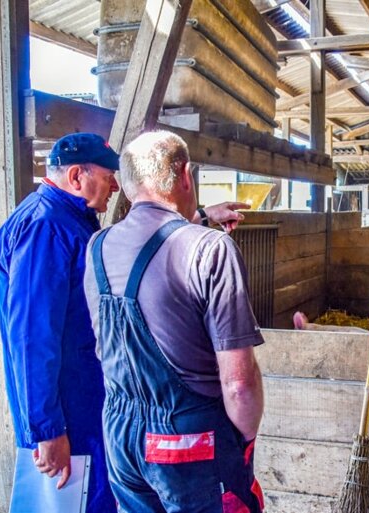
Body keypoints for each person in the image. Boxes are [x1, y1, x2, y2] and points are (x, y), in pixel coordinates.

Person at [0, 132, 249, 512]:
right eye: (108, 175)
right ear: (77, 176)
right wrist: (47, 431)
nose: (116, 185)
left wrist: (199, 217)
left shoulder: (74, 221)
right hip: (70, 411)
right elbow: (31, 338)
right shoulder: (46, 227)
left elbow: (139, 241)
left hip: (101, 404)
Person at [84, 130, 265, 512]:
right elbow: (239, 385)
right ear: (185, 175)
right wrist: (241, 447)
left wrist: (201, 216)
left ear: (129, 185)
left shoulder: (97, 247)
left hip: (120, 434)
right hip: (186, 440)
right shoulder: (212, 250)